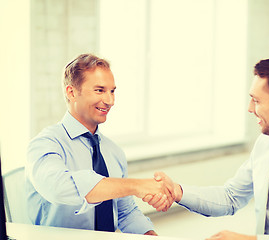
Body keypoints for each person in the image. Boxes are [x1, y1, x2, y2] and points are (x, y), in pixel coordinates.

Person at [144, 54, 269, 239]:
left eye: (256, 101)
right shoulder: (267, 143)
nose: (249, 108)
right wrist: (178, 191)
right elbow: (231, 197)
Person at [26, 54, 172, 235]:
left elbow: (125, 213)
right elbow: (59, 188)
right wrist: (136, 185)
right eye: (100, 90)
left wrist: (151, 236)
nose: (110, 101)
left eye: (112, 91)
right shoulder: (45, 144)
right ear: (71, 92)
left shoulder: (113, 151)